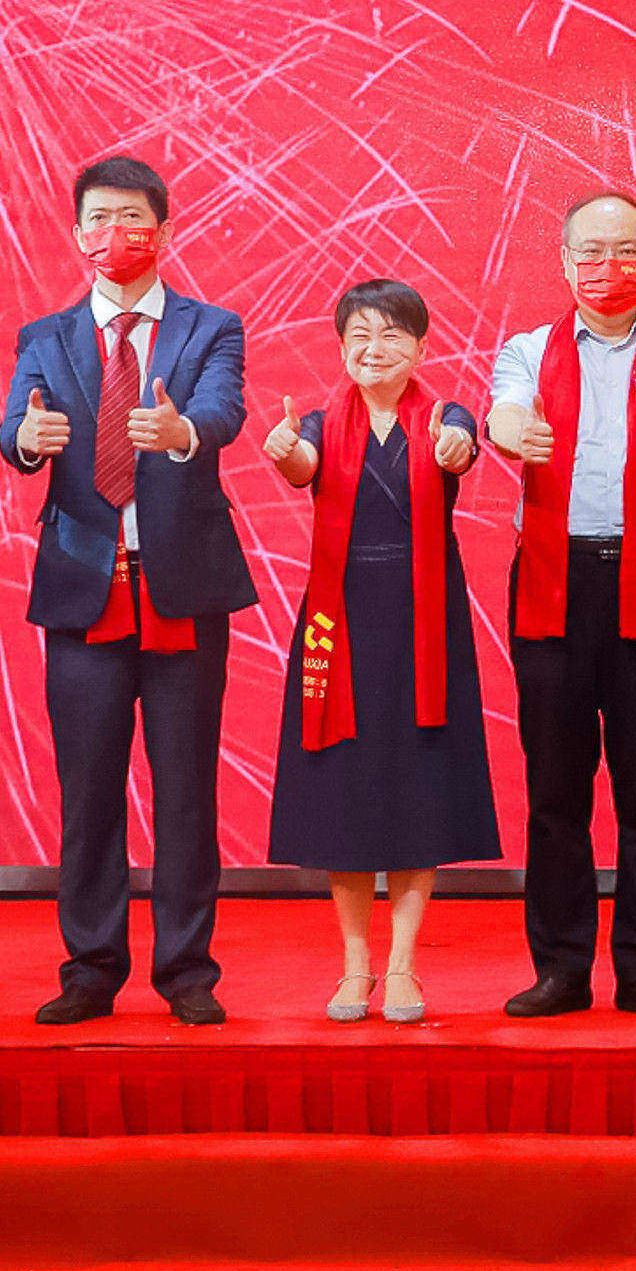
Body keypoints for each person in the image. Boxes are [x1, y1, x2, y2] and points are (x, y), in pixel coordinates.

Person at [0, 152, 250, 1025]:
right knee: (90, 791)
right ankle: (91, 968)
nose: (116, 232)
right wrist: (27, 438)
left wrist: (181, 430)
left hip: (183, 587)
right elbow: (15, 424)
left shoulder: (211, 326)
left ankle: (187, 972)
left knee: (186, 791)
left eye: (132, 217)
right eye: (99, 217)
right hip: (84, 587)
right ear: (78, 235)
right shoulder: (45, 335)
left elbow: (223, 410)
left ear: (164, 230)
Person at [486, 191, 636, 1022]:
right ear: (563, 261)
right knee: (555, 791)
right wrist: (513, 429)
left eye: (624, 249)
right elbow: (503, 408)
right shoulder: (529, 348)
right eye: (589, 250)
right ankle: (560, 967)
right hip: (555, 583)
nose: (606, 265)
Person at [255, 280, 496, 1025]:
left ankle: (403, 965)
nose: (374, 348)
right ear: (341, 348)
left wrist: (456, 447)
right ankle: (354, 964)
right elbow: (303, 466)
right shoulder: (321, 424)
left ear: (421, 348)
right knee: (347, 794)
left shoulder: (446, 417)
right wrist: (286, 453)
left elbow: (460, 450)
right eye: (359, 334)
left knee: (418, 790)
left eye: (392, 334)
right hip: (340, 624)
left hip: (425, 625)